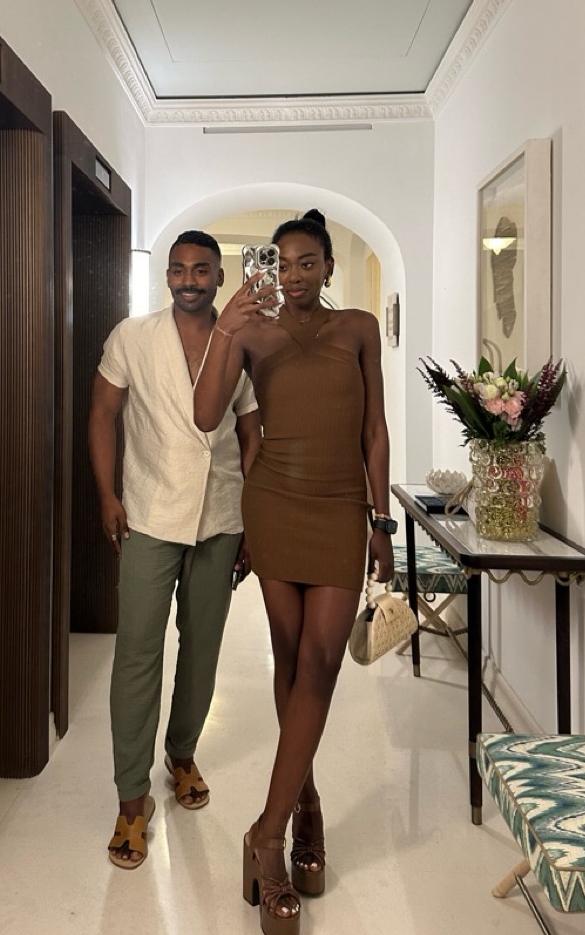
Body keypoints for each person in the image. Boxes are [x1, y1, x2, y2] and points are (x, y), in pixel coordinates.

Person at [193, 210, 395, 935]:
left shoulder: (359, 329)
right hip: (274, 504)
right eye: (283, 264)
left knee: (320, 663)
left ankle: (266, 832)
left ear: (329, 267)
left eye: (308, 262)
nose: (295, 275)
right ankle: (305, 804)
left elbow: (374, 430)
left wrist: (380, 520)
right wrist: (225, 328)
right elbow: (205, 414)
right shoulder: (253, 333)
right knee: (290, 661)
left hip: (340, 509)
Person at [89, 230, 261, 871]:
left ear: (219, 277)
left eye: (201, 270)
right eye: (179, 270)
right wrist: (107, 494)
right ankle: (131, 799)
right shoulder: (132, 337)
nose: (189, 280)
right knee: (137, 652)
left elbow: (251, 432)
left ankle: (182, 753)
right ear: (167, 277)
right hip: (149, 513)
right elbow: (102, 414)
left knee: (203, 644)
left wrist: (251, 518)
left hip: (220, 515)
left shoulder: (239, 341)